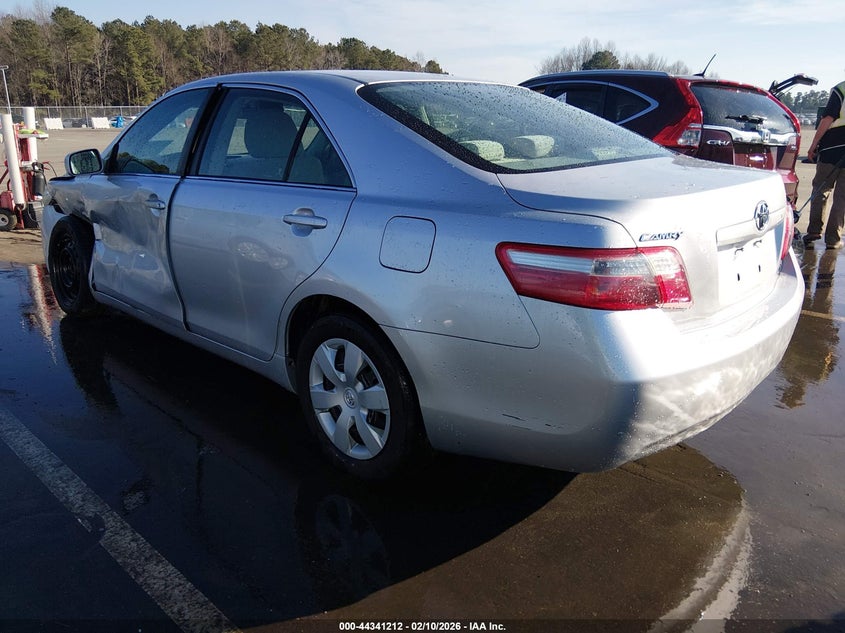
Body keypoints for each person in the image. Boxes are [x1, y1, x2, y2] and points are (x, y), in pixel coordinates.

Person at [804, 79, 845, 250]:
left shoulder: (840, 89)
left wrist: (814, 144)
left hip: (832, 148)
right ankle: (833, 238)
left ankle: (814, 230)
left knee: (821, 189)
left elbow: (828, 117)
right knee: (842, 197)